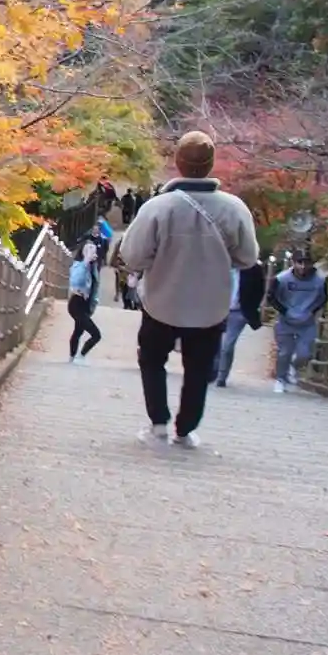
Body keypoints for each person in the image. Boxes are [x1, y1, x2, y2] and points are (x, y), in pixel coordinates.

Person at [112, 131, 259, 448]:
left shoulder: (158, 207)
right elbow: (248, 258)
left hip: (162, 300)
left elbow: (133, 255)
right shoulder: (234, 208)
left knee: (152, 359)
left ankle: (158, 424)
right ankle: (186, 429)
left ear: (177, 162)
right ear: (211, 164)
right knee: (198, 369)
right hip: (211, 305)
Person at [268, 248, 328, 392]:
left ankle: (293, 366)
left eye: (306, 263)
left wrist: (312, 311)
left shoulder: (319, 280)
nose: (303, 266)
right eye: (299, 262)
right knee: (284, 352)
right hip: (286, 321)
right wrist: (284, 311)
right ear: (293, 263)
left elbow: (323, 298)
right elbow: (271, 297)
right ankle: (280, 379)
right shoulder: (282, 279)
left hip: (307, 321)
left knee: (304, 354)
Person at [213, 262, 266, 387]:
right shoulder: (219, 263)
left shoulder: (252, 268)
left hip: (238, 312)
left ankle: (221, 376)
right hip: (217, 310)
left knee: (227, 345)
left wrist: (251, 308)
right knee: (214, 343)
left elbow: (259, 289)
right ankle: (213, 370)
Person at [67, 243, 103, 361]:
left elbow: (94, 286)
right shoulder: (78, 265)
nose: (94, 254)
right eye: (90, 251)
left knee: (78, 332)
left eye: (94, 252)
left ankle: (72, 357)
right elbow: (75, 281)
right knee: (96, 334)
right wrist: (85, 262)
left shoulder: (93, 267)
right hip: (76, 304)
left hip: (86, 305)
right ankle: (80, 356)